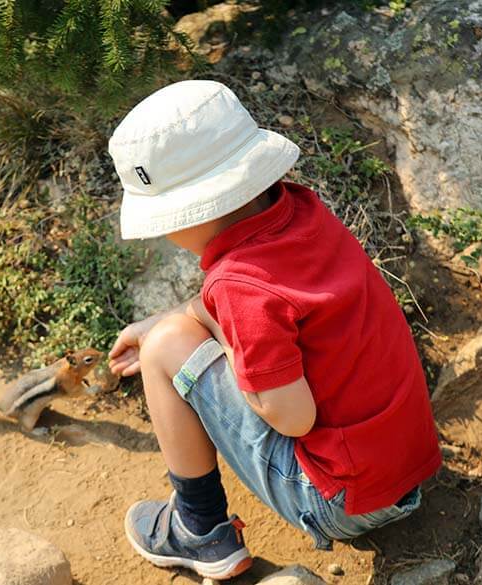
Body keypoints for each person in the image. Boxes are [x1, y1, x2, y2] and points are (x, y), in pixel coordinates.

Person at [106, 80, 441, 580]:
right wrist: (189, 318)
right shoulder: (302, 213)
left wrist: (199, 337)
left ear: (191, 211)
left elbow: (293, 418)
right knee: (172, 330)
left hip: (343, 499)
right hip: (406, 464)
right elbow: (272, 305)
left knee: (163, 350)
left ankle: (199, 529)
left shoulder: (238, 285)